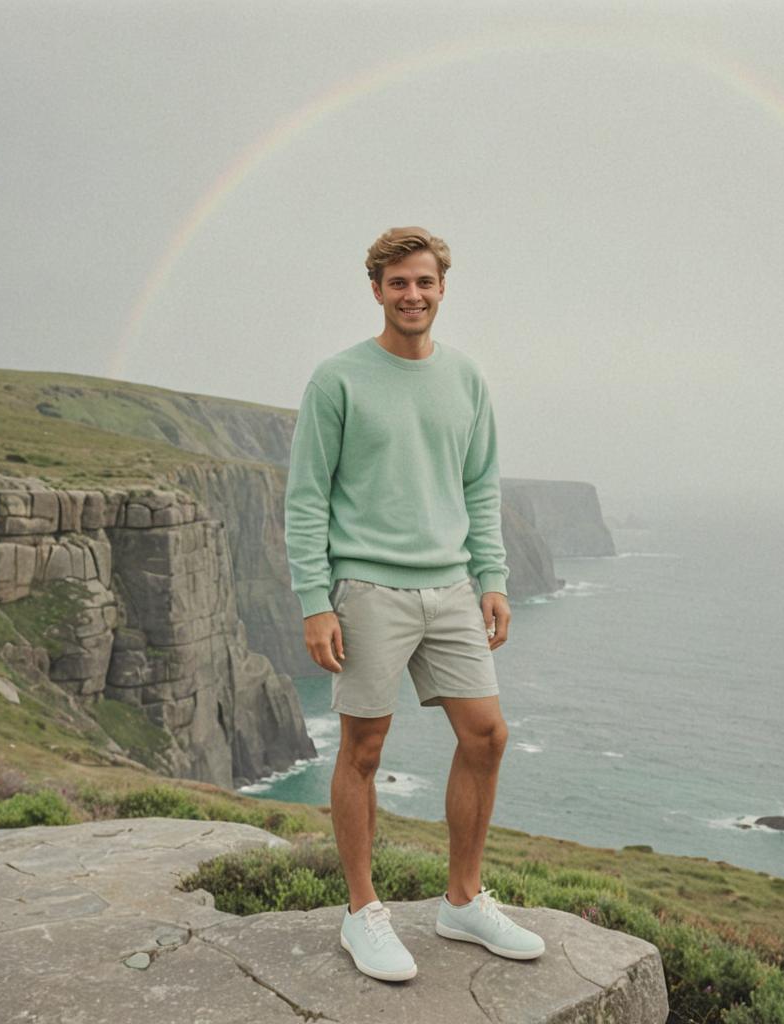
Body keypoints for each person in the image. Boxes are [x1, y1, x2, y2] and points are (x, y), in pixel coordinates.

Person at [283, 226, 544, 982]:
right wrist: (314, 600)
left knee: (487, 735)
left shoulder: (465, 379)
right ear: (376, 290)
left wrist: (492, 579)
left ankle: (462, 901)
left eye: (424, 283)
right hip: (367, 590)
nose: (413, 295)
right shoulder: (337, 379)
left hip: (453, 587)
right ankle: (363, 913)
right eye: (398, 283)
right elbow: (306, 499)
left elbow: (478, 487)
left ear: (441, 288)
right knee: (363, 750)